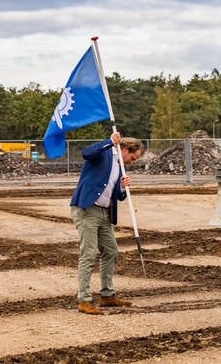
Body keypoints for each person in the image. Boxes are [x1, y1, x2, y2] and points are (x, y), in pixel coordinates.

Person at [71, 132, 142, 315]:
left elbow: (116, 194)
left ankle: (107, 295)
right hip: (87, 209)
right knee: (88, 253)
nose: (132, 163)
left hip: (104, 213)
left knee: (111, 251)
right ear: (125, 150)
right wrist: (110, 142)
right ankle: (84, 300)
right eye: (132, 158)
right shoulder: (105, 152)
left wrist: (123, 188)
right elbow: (87, 153)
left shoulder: (120, 168)